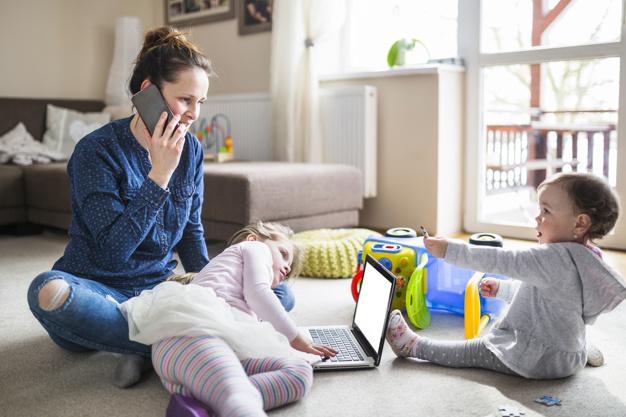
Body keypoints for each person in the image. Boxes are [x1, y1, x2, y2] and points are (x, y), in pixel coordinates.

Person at [26, 26, 295, 389]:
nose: (193, 115)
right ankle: (179, 341)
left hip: (160, 292)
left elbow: (190, 231)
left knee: (280, 293)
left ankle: (152, 344)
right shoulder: (96, 151)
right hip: (101, 288)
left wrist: (211, 288)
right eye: (185, 100)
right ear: (148, 91)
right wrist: (159, 175)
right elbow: (113, 253)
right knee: (48, 292)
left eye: (200, 103)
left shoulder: (192, 150)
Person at [386, 172, 626, 379]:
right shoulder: (588, 257)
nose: (537, 217)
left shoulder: (551, 258)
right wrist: (502, 289)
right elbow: (546, 298)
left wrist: (448, 249)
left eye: (546, 211)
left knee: (476, 350)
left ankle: (414, 346)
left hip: (539, 360)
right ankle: (577, 352)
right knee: (565, 333)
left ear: (580, 223)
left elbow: (499, 260)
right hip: (568, 355)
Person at [119, 221, 337, 417]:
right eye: (283, 253)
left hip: (202, 356)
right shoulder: (254, 248)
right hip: (192, 334)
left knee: (299, 372)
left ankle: (202, 407)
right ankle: (230, 399)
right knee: (237, 394)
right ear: (253, 238)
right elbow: (258, 292)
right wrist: (295, 337)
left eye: (287, 273)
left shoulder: (237, 296)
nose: (287, 268)